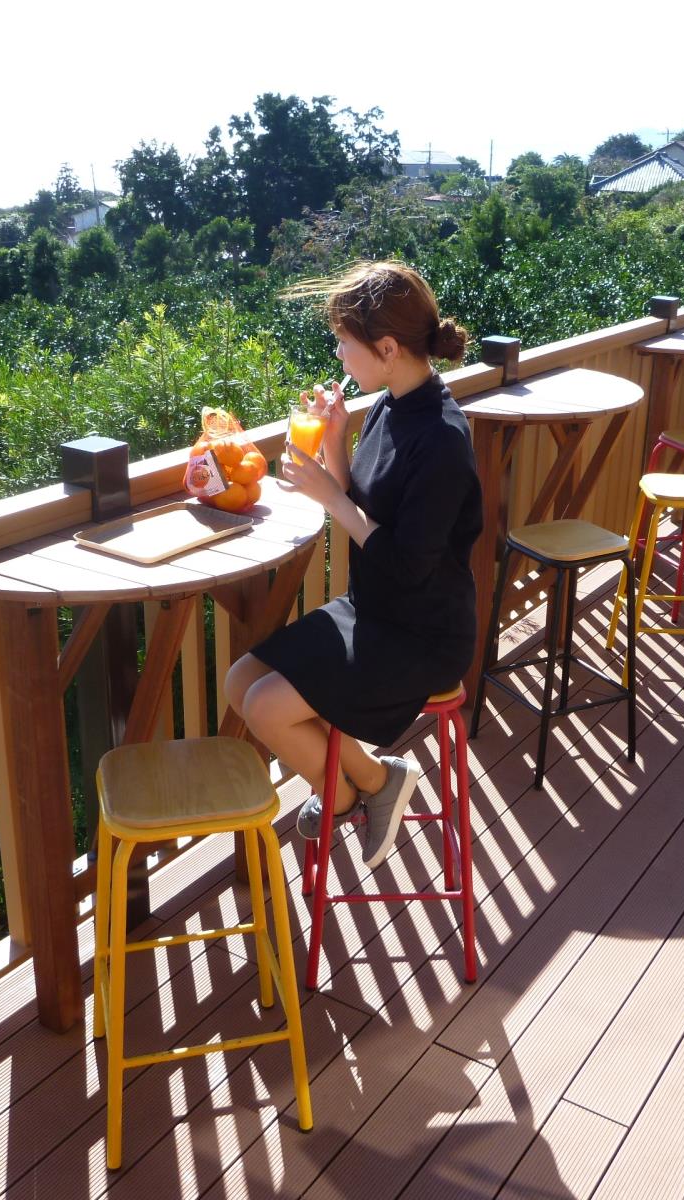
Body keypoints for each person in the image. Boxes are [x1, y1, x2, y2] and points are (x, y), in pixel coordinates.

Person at [224, 260, 483, 869]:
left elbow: (406, 563)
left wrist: (330, 498)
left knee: (265, 706)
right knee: (240, 681)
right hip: (376, 609)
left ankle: (342, 797)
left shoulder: (442, 438)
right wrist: (337, 443)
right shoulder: (393, 404)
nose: (339, 355)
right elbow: (367, 505)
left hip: (422, 632)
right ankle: (370, 781)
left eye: (345, 342)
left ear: (387, 349)